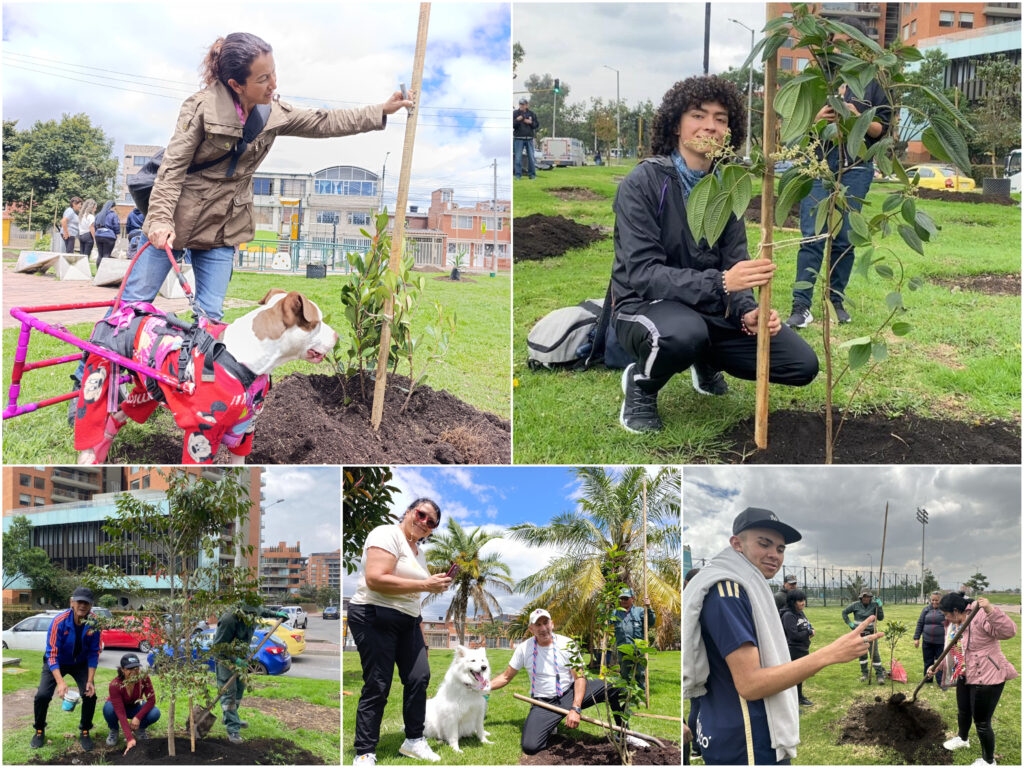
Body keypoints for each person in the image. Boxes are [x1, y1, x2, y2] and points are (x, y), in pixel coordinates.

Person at [69, 32, 411, 394]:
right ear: (236, 83)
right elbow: (171, 169)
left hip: (224, 227)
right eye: (263, 78)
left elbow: (324, 121)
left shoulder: (272, 112)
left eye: (273, 74)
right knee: (132, 307)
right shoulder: (199, 107)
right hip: (176, 222)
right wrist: (159, 221)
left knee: (209, 318)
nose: (273, 84)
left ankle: (188, 389)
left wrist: (379, 112)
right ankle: (88, 381)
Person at [610, 76, 818, 434]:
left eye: (721, 118)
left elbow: (735, 262)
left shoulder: (730, 186)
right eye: (698, 115)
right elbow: (644, 274)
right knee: (683, 333)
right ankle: (642, 383)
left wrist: (747, 311)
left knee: (801, 364)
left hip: (708, 308)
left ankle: (704, 359)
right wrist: (721, 282)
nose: (711, 126)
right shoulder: (643, 183)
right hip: (643, 305)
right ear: (676, 124)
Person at [683, 507, 883, 764]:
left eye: (780, 549)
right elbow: (750, 684)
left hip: (730, 726)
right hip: (746, 737)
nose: (774, 555)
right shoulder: (728, 591)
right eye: (764, 543)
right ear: (737, 544)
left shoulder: (744, 585)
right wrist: (829, 654)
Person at [785, 17, 893, 328]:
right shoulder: (818, 80)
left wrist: (858, 117)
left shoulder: (876, 81)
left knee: (845, 237)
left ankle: (835, 300)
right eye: (837, 43)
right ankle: (801, 305)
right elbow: (797, 131)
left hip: (856, 168)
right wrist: (818, 117)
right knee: (813, 235)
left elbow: (881, 130)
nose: (842, 50)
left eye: (850, 44)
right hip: (819, 166)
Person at [348, 498, 452, 765]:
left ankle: (414, 740)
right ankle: (365, 752)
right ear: (408, 512)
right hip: (374, 614)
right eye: (422, 515)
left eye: (432, 523)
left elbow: (414, 598)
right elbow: (375, 578)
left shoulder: (419, 553)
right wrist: (427, 585)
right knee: (378, 684)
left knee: (419, 677)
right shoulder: (386, 533)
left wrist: (422, 639)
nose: (426, 523)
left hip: (408, 621)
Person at [488, 608, 649, 755]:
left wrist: (576, 708)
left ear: (552, 624)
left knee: (614, 686)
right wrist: (482, 687)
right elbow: (505, 677)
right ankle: (552, 724)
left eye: (545, 623)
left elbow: (579, 677)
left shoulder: (567, 644)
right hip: (544, 702)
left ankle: (623, 733)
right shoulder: (524, 649)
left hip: (569, 693)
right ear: (531, 629)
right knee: (530, 746)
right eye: (538, 625)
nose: (543, 628)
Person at [934, 593, 1017, 767]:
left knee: (982, 722)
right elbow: (952, 647)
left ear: (956, 611)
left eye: (947, 614)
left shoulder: (980, 616)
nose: (946, 618)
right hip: (965, 672)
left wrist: (990, 610)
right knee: (963, 711)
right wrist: (937, 665)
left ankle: (989, 761)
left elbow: (1009, 631)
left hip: (986, 676)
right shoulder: (955, 624)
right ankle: (963, 739)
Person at [32, 587, 101, 751]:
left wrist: (90, 680)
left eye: (86, 603)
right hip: (57, 662)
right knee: (42, 695)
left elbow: (94, 652)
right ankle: (39, 730)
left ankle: (85, 730)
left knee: (90, 694)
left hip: (80, 663)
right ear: (72, 602)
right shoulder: (59, 621)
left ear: (91, 606)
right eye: (79, 601)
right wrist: (60, 682)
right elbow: (52, 653)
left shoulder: (94, 623)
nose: (82, 606)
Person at [210, 603, 288, 744]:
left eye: (254, 615)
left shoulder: (255, 609)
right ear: (241, 612)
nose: (253, 618)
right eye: (249, 616)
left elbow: (262, 610)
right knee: (229, 693)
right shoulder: (229, 620)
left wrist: (276, 614)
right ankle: (233, 729)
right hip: (225, 659)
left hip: (241, 657)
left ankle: (230, 717)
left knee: (240, 689)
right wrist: (235, 659)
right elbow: (218, 647)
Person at [103, 653, 159, 753]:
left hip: (135, 707)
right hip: (117, 708)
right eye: (130, 669)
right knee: (108, 709)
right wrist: (129, 739)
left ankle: (139, 728)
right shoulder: (115, 685)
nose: (134, 672)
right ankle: (114, 730)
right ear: (123, 669)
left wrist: (138, 717)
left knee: (155, 713)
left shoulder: (144, 678)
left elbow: (151, 700)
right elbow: (120, 713)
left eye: (136, 668)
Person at [610, 587, 656, 689]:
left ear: (632, 598)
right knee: (625, 674)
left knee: (640, 674)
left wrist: (648, 608)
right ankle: (626, 696)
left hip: (638, 649)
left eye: (626, 599)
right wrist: (605, 609)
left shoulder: (640, 611)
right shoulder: (615, 613)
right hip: (623, 649)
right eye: (621, 599)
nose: (623, 601)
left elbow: (651, 622)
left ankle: (640, 696)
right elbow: (605, 624)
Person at [780, 590, 815, 706]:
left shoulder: (800, 613)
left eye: (804, 600)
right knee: (794, 677)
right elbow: (793, 635)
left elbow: (807, 625)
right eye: (800, 601)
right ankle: (794, 700)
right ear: (792, 602)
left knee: (800, 676)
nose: (803, 603)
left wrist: (810, 629)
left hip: (803, 649)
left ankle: (799, 697)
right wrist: (809, 632)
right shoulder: (788, 615)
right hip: (793, 650)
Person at [841, 590, 886, 683]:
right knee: (862, 653)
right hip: (860, 634)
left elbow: (881, 618)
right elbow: (844, 612)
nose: (866, 599)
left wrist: (880, 606)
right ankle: (864, 673)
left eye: (868, 597)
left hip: (871, 633)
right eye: (864, 597)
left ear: (870, 598)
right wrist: (850, 623)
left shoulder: (874, 605)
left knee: (875, 654)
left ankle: (879, 675)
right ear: (861, 597)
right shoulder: (855, 605)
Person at [913, 591, 945, 686]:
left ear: (941, 600)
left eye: (937, 600)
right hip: (927, 641)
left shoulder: (945, 610)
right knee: (928, 661)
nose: (934, 602)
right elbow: (920, 623)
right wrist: (916, 638)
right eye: (933, 600)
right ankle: (927, 679)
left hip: (941, 642)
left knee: (940, 662)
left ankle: (940, 681)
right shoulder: (926, 610)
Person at [513, 97, 538, 180]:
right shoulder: (515, 113)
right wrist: (517, 120)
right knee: (518, 158)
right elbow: (512, 125)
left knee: (531, 157)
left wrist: (530, 122)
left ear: (527, 105)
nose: (521, 106)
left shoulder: (532, 114)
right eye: (520, 104)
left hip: (529, 139)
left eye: (523, 104)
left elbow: (536, 125)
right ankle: (518, 175)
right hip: (518, 139)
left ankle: (532, 175)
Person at [93, 201, 120, 269]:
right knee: (106, 255)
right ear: (112, 207)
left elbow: (95, 225)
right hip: (109, 236)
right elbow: (116, 225)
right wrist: (117, 234)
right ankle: (104, 273)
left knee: (100, 255)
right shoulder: (113, 215)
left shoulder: (98, 214)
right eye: (114, 208)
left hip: (98, 235)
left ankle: (98, 272)